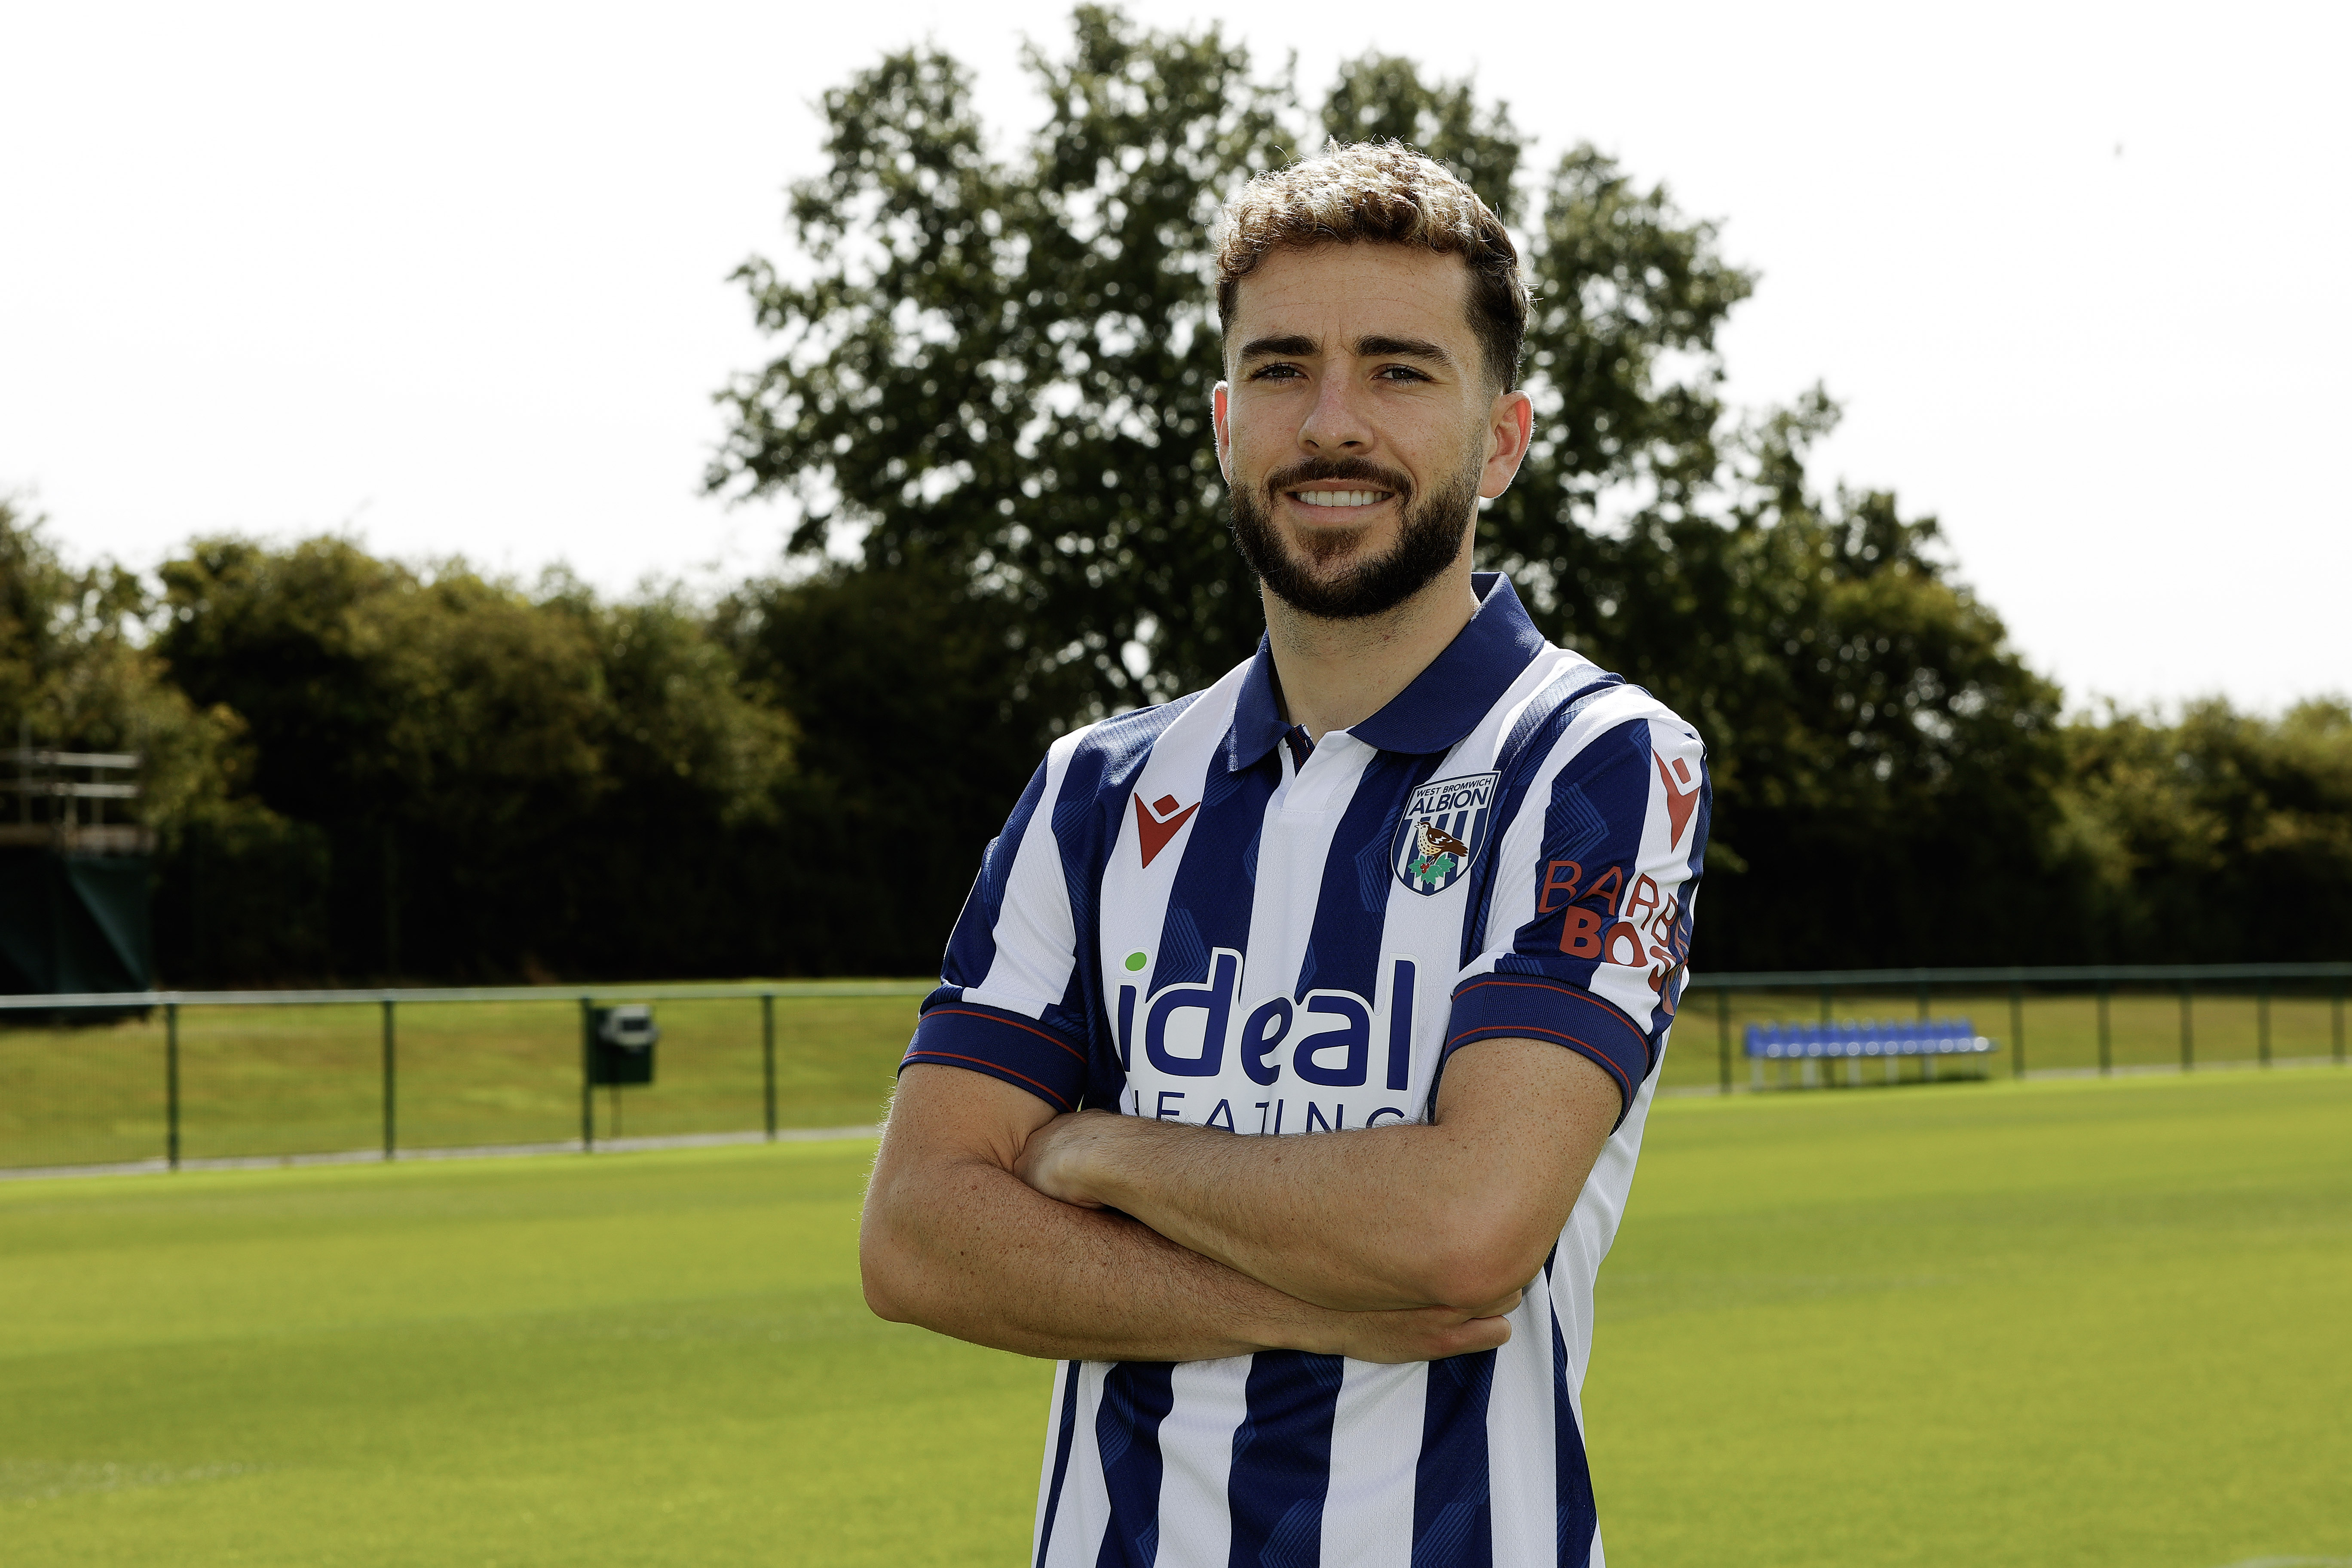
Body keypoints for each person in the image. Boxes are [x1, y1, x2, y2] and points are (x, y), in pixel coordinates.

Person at [860, 140, 1709, 1568]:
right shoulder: (1094, 788)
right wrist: (1323, 1301)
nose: (1331, 423)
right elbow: (918, 1237)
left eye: (1398, 369)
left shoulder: (1600, 760)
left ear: (1501, 438)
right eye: (1280, 369)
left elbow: (1463, 1235)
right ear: (1223, 421)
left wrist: (1091, 1150)